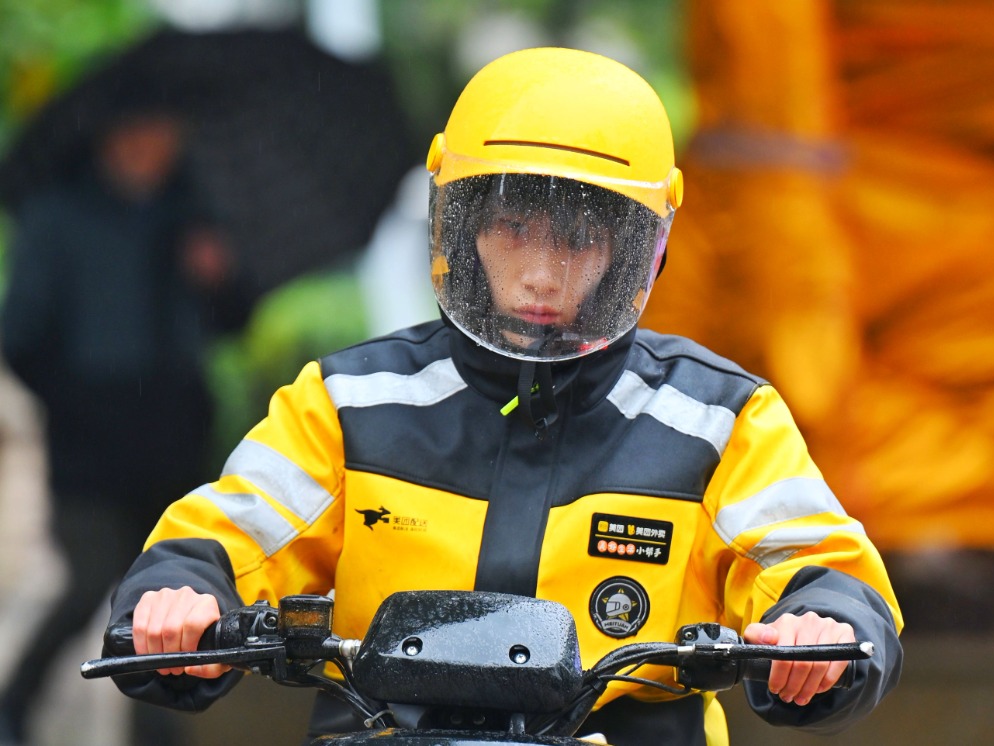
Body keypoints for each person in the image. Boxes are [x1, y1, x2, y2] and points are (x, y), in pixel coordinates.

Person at [103, 48, 902, 745]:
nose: (541, 276)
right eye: (514, 227)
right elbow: (220, 540)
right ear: (462, 223)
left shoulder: (718, 420)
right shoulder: (352, 403)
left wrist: (823, 624)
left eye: (581, 238)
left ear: (640, 247)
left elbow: (823, 568)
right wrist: (180, 600)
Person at [0, 105, 252, 744]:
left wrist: (219, 278)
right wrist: (78, 396)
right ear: (108, 133)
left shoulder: (190, 213)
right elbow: (21, 335)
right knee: (89, 579)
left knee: (169, 594)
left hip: (173, 439)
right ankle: (16, 698)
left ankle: (158, 727)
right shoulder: (57, 216)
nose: (155, 146)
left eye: (168, 129)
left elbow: (232, 319)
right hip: (88, 443)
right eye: (140, 130)